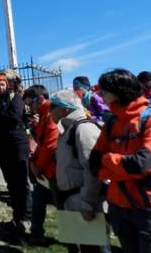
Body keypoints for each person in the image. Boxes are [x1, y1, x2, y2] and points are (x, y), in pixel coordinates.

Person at [90, 69, 151, 253]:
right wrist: (125, 167)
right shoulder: (112, 123)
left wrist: (109, 159)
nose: (100, 95)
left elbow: (142, 163)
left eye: (104, 91)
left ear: (117, 91)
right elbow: (94, 165)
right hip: (120, 208)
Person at [50, 90, 105, 253]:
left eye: (52, 106)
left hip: (83, 201)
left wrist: (87, 204)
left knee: (92, 249)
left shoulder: (84, 129)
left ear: (65, 108)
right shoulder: (67, 129)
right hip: (71, 200)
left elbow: (92, 169)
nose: (49, 110)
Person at [0, 71, 31, 239]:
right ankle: (17, 216)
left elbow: (15, 116)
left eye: (3, 84)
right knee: (10, 180)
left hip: (18, 142)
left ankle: (26, 217)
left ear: (7, 84)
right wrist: (1, 118)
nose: (0, 87)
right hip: (1, 144)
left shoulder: (15, 98)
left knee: (22, 180)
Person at [22, 85, 59, 245]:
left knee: (64, 208)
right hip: (46, 169)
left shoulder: (51, 115)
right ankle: (37, 234)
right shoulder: (44, 114)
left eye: (30, 104)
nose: (29, 108)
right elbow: (42, 142)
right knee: (38, 201)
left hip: (53, 170)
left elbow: (50, 145)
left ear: (40, 99)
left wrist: (37, 166)